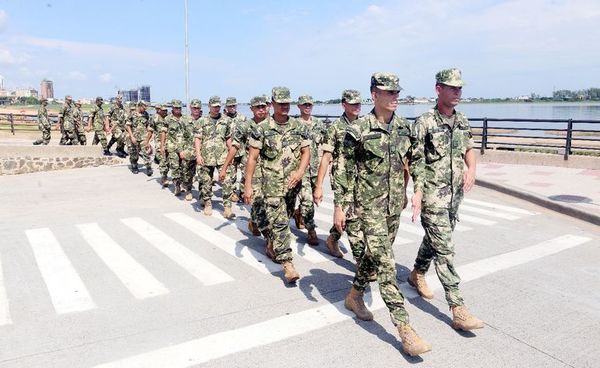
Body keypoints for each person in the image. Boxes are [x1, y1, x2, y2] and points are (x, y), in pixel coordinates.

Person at [337, 73, 431, 356]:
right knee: (386, 267)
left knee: (372, 256)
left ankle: (354, 295)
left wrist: (417, 191)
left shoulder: (404, 128)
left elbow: (416, 160)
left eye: (396, 92)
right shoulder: (358, 129)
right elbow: (343, 169)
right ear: (373, 95)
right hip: (368, 209)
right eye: (388, 92)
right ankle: (405, 329)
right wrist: (341, 206)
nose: (395, 97)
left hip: (393, 208)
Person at [408, 68, 483, 331]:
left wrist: (471, 169)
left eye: (460, 88)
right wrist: (416, 193)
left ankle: (417, 273)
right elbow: (414, 161)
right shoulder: (424, 122)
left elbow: (469, 148)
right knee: (445, 249)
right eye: (452, 88)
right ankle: (457, 307)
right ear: (438, 89)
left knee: (436, 239)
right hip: (432, 196)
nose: (457, 92)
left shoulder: (462, 120)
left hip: (454, 197)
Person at [244, 87, 310, 284]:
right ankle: (287, 263)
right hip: (271, 185)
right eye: (280, 103)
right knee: (281, 223)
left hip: (292, 184)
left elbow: (306, 152)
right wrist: (248, 185)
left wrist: (299, 173)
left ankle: (272, 243)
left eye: (287, 103)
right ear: (272, 104)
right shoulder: (262, 129)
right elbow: (253, 159)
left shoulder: (299, 127)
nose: (284, 107)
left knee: (285, 218)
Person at [313, 89, 366, 259]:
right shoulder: (335, 128)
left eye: (358, 103)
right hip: (342, 178)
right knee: (350, 218)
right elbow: (326, 157)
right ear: (344, 105)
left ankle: (332, 237)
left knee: (355, 214)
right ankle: (361, 261)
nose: (357, 106)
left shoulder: (366, 124)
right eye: (353, 104)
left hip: (363, 178)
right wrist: (319, 186)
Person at [219, 95, 270, 239]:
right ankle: (269, 237)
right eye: (257, 107)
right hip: (253, 169)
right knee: (258, 201)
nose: (261, 110)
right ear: (251, 109)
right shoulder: (246, 126)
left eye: (263, 106)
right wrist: (224, 167)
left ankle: (254, 221)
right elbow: (234, 147)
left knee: (271, 202)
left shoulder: (273, 124)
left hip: (272, 170)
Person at [293, 95, 326, 246]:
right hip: (302, 168)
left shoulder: (319, 124)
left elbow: (326, 143)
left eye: (310, 104)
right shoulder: (294, 124)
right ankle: (311, 230)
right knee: (306, 198)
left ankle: (299, 213)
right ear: (299, 106)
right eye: (304, 104)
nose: (307, 106)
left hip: (316, 167)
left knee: (314, 197)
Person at [194, 96, 234, 218]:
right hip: (206, 156)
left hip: (222, 155)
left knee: (227, 180)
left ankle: (227, 207)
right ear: (209, 106)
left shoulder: (226, 120)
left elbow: (228, 138)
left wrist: (231, 154)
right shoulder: (202, 121)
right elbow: (197, 139)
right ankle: (207, 203)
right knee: (206, 181)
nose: (216, 109)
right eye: (214, 106)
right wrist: (198, 155)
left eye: (218, 106)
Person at [164, 99, 193, 196]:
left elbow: (189, 134)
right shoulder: (167, 119)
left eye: (179, 108)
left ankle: (186, 184)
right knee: (175, 167)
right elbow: (164, 132)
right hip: (172, 146)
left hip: (184, 147)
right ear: (172, 108)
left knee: (185, 167)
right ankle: (177, 185)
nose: (178, 110)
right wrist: (162, 145)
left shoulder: (186, 119)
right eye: (176, 108)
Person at [223, 97, 248, 203]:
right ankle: (232, 192)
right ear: (226, 107)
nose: (232, 108)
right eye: (230, 106)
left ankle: (243, 192)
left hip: (242, 150)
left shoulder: (242, 118)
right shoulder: (222, 119)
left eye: (234, 105)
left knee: (246, 172)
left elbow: (248, 134)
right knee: (231, 174)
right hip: (228, 152)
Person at [126, 100, 152, 175]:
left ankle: (148, 167)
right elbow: (128, 125)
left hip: (143, 136)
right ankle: (134, 165)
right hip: (134, 136)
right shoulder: (132, 114)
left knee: (145, 151)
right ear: (140, 106)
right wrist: (131, 136)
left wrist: (150, 135)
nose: (145, 109)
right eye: (144, 107)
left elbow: (147, 125)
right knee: (133, 152)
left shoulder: (146, 114)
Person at [145, 104, 170, 185]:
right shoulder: (154, 118)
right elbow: (150, 130)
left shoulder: (169, 118)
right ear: (159, 110)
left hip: (170, 141)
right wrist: (147, 141)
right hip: (159, 141)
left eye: (166, 110)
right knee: (162, 158)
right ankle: (164, 176)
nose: (164, 112)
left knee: (169, 159)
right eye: (163, 110)